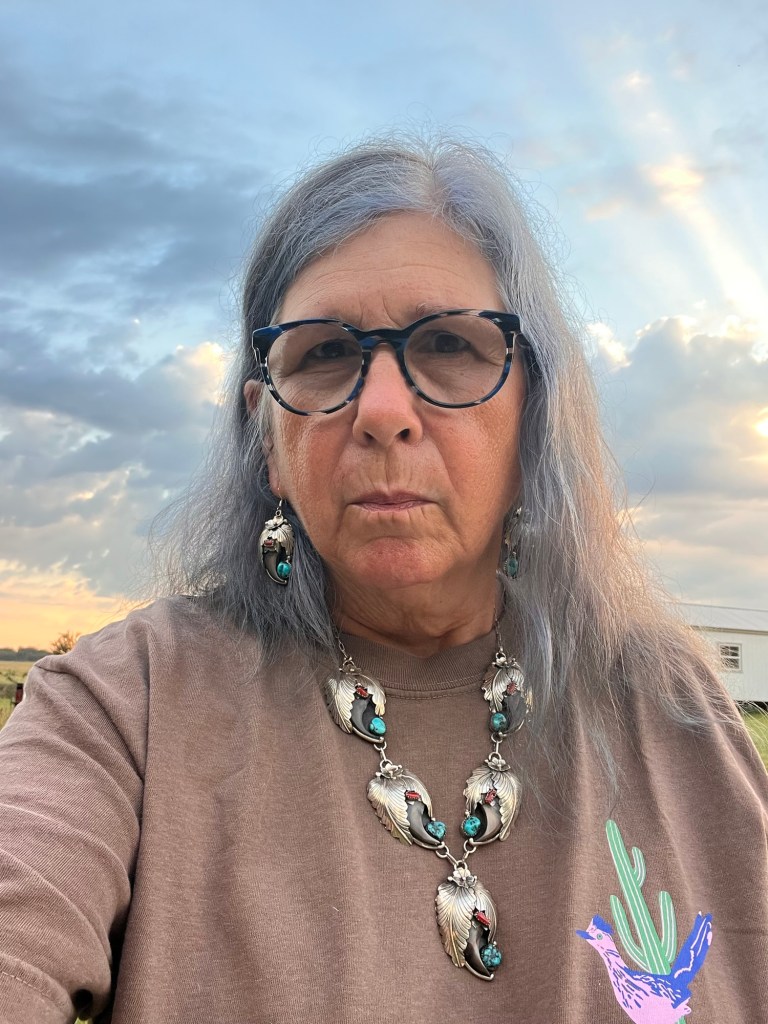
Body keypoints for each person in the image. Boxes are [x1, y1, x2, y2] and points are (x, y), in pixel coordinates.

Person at [1, 134, 766, 1024]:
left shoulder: (670, 704)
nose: (383, 410)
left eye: (447, 343)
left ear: (534, 411)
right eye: (324, 353)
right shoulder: (125, 704)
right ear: (268, 437)